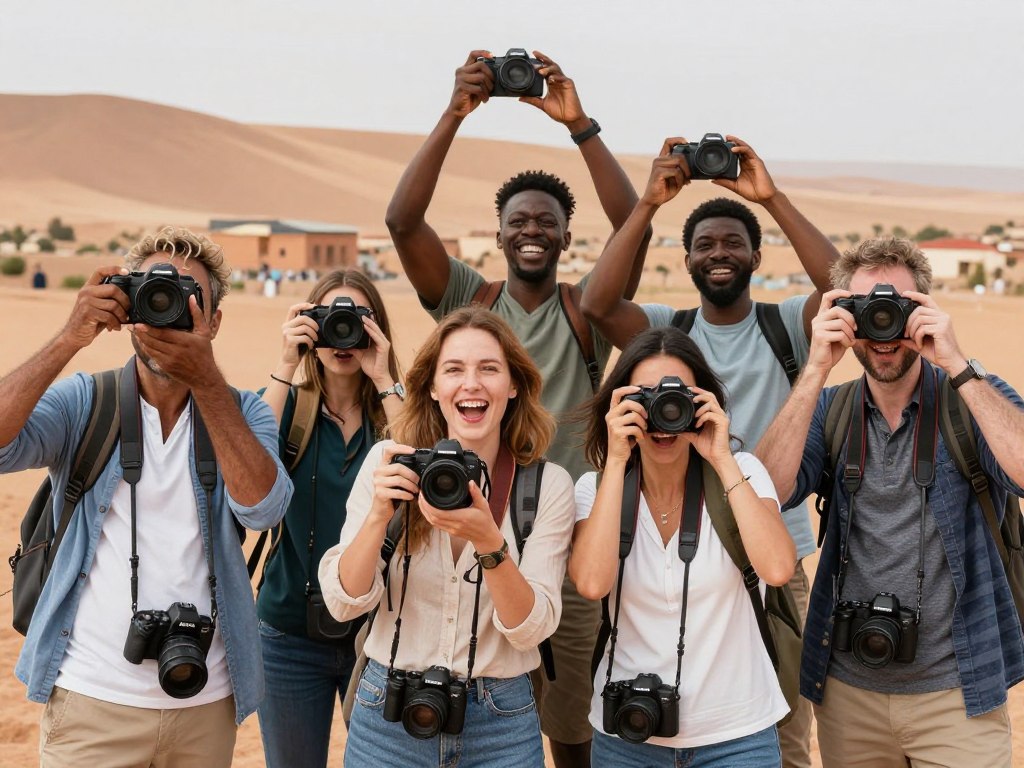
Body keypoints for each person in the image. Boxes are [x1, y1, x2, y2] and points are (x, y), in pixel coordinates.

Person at [385, 49, 647, 765]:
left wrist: (581, 127)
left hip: (567, 539)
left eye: (547, 222)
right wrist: (455, 113)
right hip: (466, 526)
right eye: (518, 221)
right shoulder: (467, 298)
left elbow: (638, 225)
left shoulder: (589, 310)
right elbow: (403, 222)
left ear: (566, 237)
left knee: (571, 723)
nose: (532, 230)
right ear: (499, 234)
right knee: (473, 707)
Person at [579, 136, 842, 767]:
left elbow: (844, 285)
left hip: (768, 543)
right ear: (687, 259)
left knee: (781, 728)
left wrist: (771, 197)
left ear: (756, 255)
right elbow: (596, 304)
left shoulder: (785, 324)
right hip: (650, 523)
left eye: (732, 242)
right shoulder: (667, 333)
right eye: (704, 244)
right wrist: (648, 203)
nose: (719, 253)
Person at [0, 227, 293, 766]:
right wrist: (69, 337)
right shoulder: (88, 401)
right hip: (91, 697)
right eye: (154, 293)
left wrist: (206, 381)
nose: (166, 310)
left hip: (205, 701)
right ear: (127, 306)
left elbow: (264, 508)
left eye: (186, 296)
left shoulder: (242, 411)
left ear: (214, 321)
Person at [756, 237, 1024, 767]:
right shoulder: (830, 409)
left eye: (898, 308)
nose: (883, 326)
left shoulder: (972, 397)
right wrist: (815, 369)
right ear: (842, 315)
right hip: (848, 692)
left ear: (925, 310)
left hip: (959, 692)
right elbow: (767, 492)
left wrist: (958, 365)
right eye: (865, 309)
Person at [318, 306, 576, 767]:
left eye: (489, 369)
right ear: (433, 387)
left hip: (500, 722)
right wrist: (378, 517)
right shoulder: (389, 462)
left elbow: (532, 630)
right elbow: (343, 604)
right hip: (389, 710)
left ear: (513, 385)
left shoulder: (545, 486)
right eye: (454, 369)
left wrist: (490, 544)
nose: (471, 383)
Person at [571, 326, 794, 766]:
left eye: (677, 397)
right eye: (646, 398)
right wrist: (616, 461)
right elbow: (593, 584)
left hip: (738, 736)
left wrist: (721, 458)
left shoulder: (742, 471)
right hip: (627, 733)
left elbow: (778, 568)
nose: (663, 411)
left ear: (705, 401)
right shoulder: (594, 489)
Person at [255, 269, 405, 768]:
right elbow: (248, 476)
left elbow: (426, 469)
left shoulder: (394, 409)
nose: (343, 333)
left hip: (380, 634)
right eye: (330, 318)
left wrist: (383, 377)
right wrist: (286, 364)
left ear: (377, 328)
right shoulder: (289, 406)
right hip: (288, 633)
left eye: (357, 318)